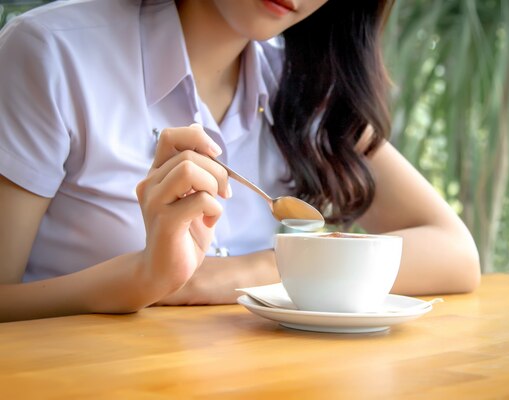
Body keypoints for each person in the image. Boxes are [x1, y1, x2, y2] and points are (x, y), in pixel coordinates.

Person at [0, 0, 480, 323]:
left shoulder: (306, 87)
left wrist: (237, 275)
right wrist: (142, 280)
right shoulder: (51, 52)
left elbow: (455, 253)